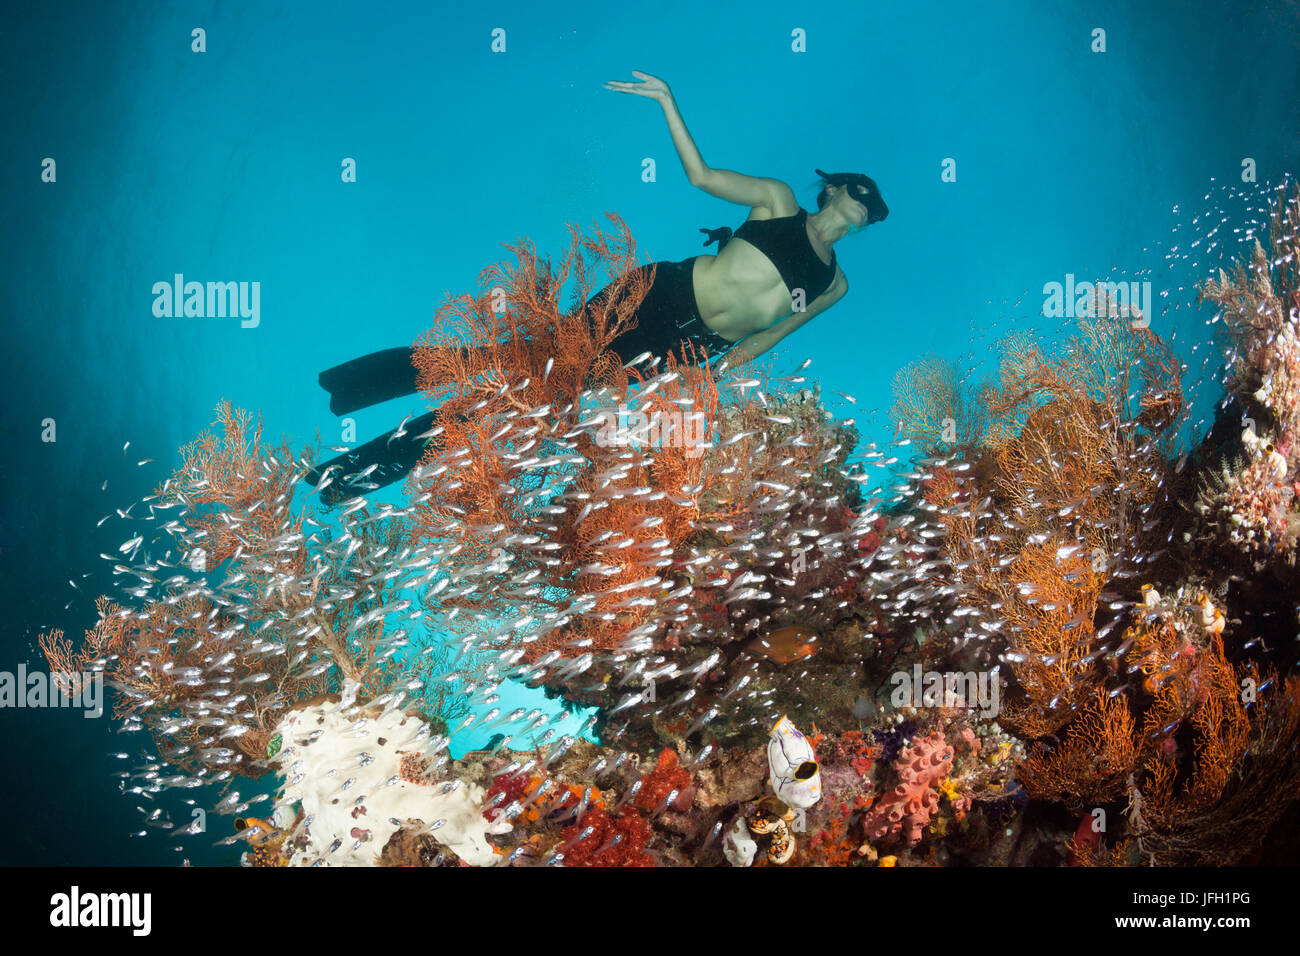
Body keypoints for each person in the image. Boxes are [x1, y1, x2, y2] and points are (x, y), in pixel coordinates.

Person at [307, 71, 887, 502]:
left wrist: (714, 374)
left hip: (684, 351)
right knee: (521, 359)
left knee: (530, 401)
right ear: (831, 189)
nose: (866, 202)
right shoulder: (778, 201)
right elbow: (702, 176)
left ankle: (355, 472)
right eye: (858, 189)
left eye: (875, 204)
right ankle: (357, 383)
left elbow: (774, 334)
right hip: (653, 297)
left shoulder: (834, 285)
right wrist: (667, 101)